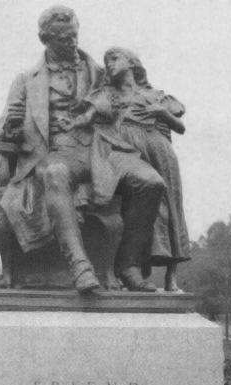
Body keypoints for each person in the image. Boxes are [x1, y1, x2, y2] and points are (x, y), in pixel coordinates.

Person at [0, 7, 166, 293]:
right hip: (57, 153)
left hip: (104, 150)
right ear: (46, 40)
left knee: (151, 182)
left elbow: (137, 94)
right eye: (64, 39)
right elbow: (0, 129)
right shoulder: (26, 81)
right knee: (55, 172)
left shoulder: (101, 74)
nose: (73, 44)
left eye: (75, 36)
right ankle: (80, 266)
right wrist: (11, 129)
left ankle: (127, 265)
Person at [59, 47, 191, 290]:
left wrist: (161, 112)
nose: (108, 64)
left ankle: (169, 274)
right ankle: (129, 267)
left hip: (160, 153)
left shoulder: (155, 95)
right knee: (147, 192)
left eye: (114, 58)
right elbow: (88, 116)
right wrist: (73, 122)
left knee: (169, 209)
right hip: (123, 151)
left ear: (132, 62)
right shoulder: (108, 94)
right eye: (106, 61)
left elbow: (180, 126)